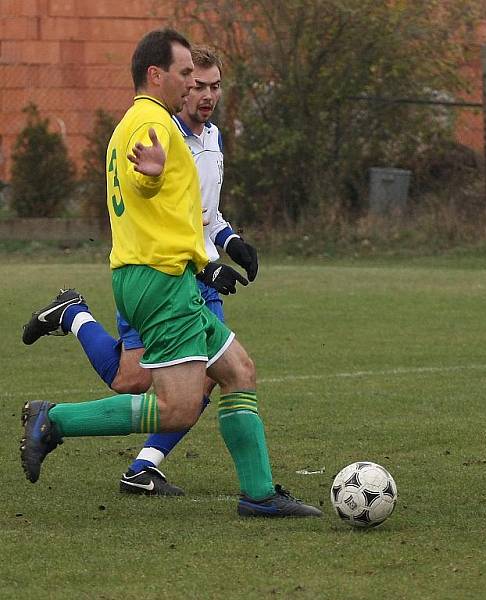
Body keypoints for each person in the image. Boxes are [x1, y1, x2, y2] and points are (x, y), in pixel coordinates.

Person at [19, 28, 322, 518]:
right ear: (156, 74)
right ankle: (55, 420)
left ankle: (259, 494)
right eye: (186, 74)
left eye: (204, 80)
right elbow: (152, 196)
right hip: (158, 280)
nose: (194, 85)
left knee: (237, 371)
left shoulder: (144, 122)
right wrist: (161, 188)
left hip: (164, 275)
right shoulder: (150, 127)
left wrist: (212, 251)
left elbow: (172, 210)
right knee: (176, 405)